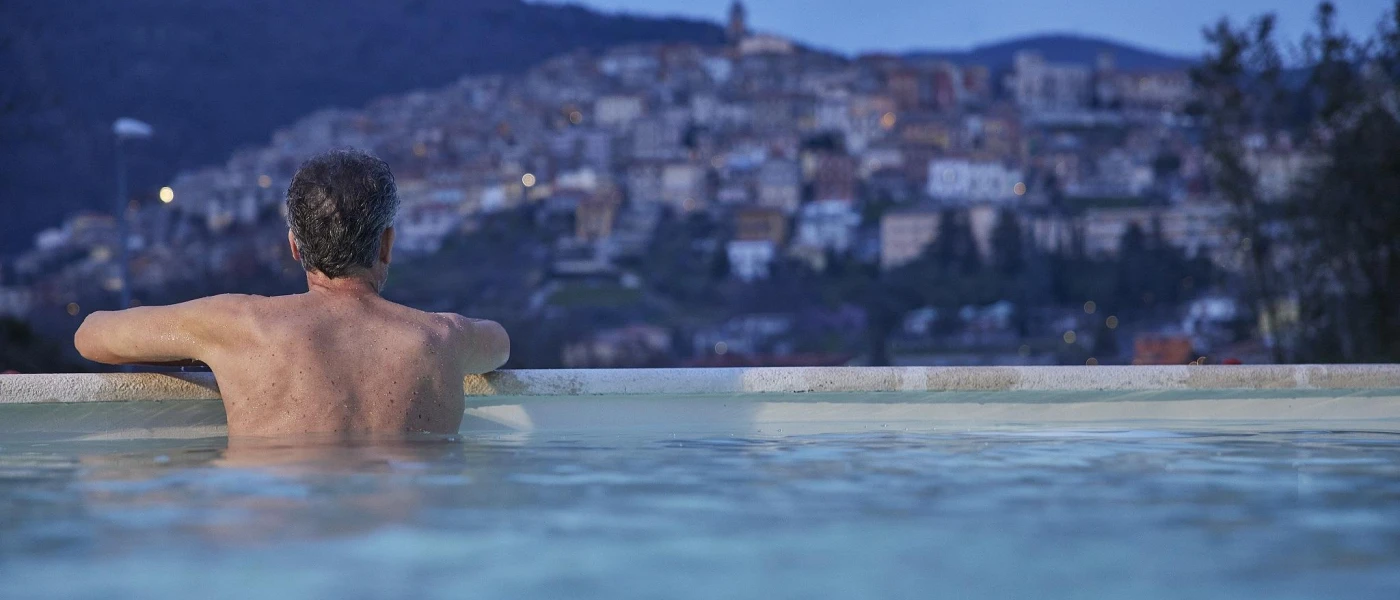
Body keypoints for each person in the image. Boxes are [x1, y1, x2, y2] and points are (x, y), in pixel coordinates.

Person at [74, 149, 509, 436]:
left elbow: (92, 336)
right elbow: (500, 344)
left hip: (277, 552)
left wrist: (202, 346)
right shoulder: (443, 339)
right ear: (387, 244)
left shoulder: (238, 327)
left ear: (295, 246)